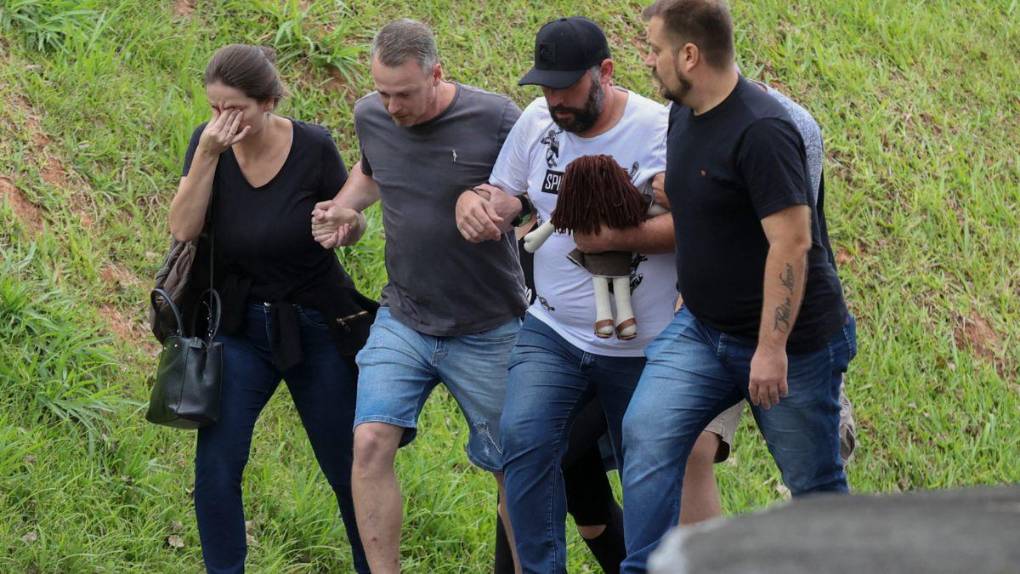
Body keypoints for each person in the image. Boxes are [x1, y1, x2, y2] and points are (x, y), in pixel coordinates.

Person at [456, 17, 730, 572]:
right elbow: (507, 194)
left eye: (567, 86)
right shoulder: (536, 122)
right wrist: (475, 201)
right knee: (523, 443)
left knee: (651, 478)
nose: (555, 100)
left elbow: (702, 224)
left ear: (604, 72)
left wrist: (617, 237)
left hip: (647, 346)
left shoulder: (663, 129)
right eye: (546, 87)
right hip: (553, 331)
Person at [621, 1, 856, 571]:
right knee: (646, 432)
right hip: (702, 330)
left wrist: (771, 349)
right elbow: (703, 199)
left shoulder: (764, 131)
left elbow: (792, 243)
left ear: (690, 55)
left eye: (654, 49)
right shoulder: (685, 112)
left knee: (814, 485)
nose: (648, 61)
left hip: (789, 346)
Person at [309, 19, 526, 574]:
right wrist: (344, 207)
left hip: (490, 325)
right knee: (370, 444)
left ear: (437, 74)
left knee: (514, 466)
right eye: (382, 92)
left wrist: (496, 206)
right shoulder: (370, 115)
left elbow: (532, 191)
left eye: (403, 94)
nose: (392, 107)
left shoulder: (497, 117)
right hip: (404, 316)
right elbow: (375, 172)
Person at [168, 44, 372, 574]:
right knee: (216, 468)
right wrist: (208, 154)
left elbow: (351, 222)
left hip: (314, 323)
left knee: (348, 470)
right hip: (238, 326)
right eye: (214, 108)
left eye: (235, 109)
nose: (222, 121)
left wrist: (345, 224)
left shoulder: (312, 146)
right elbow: (183, 229)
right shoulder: (206, 145)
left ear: (269, 101)